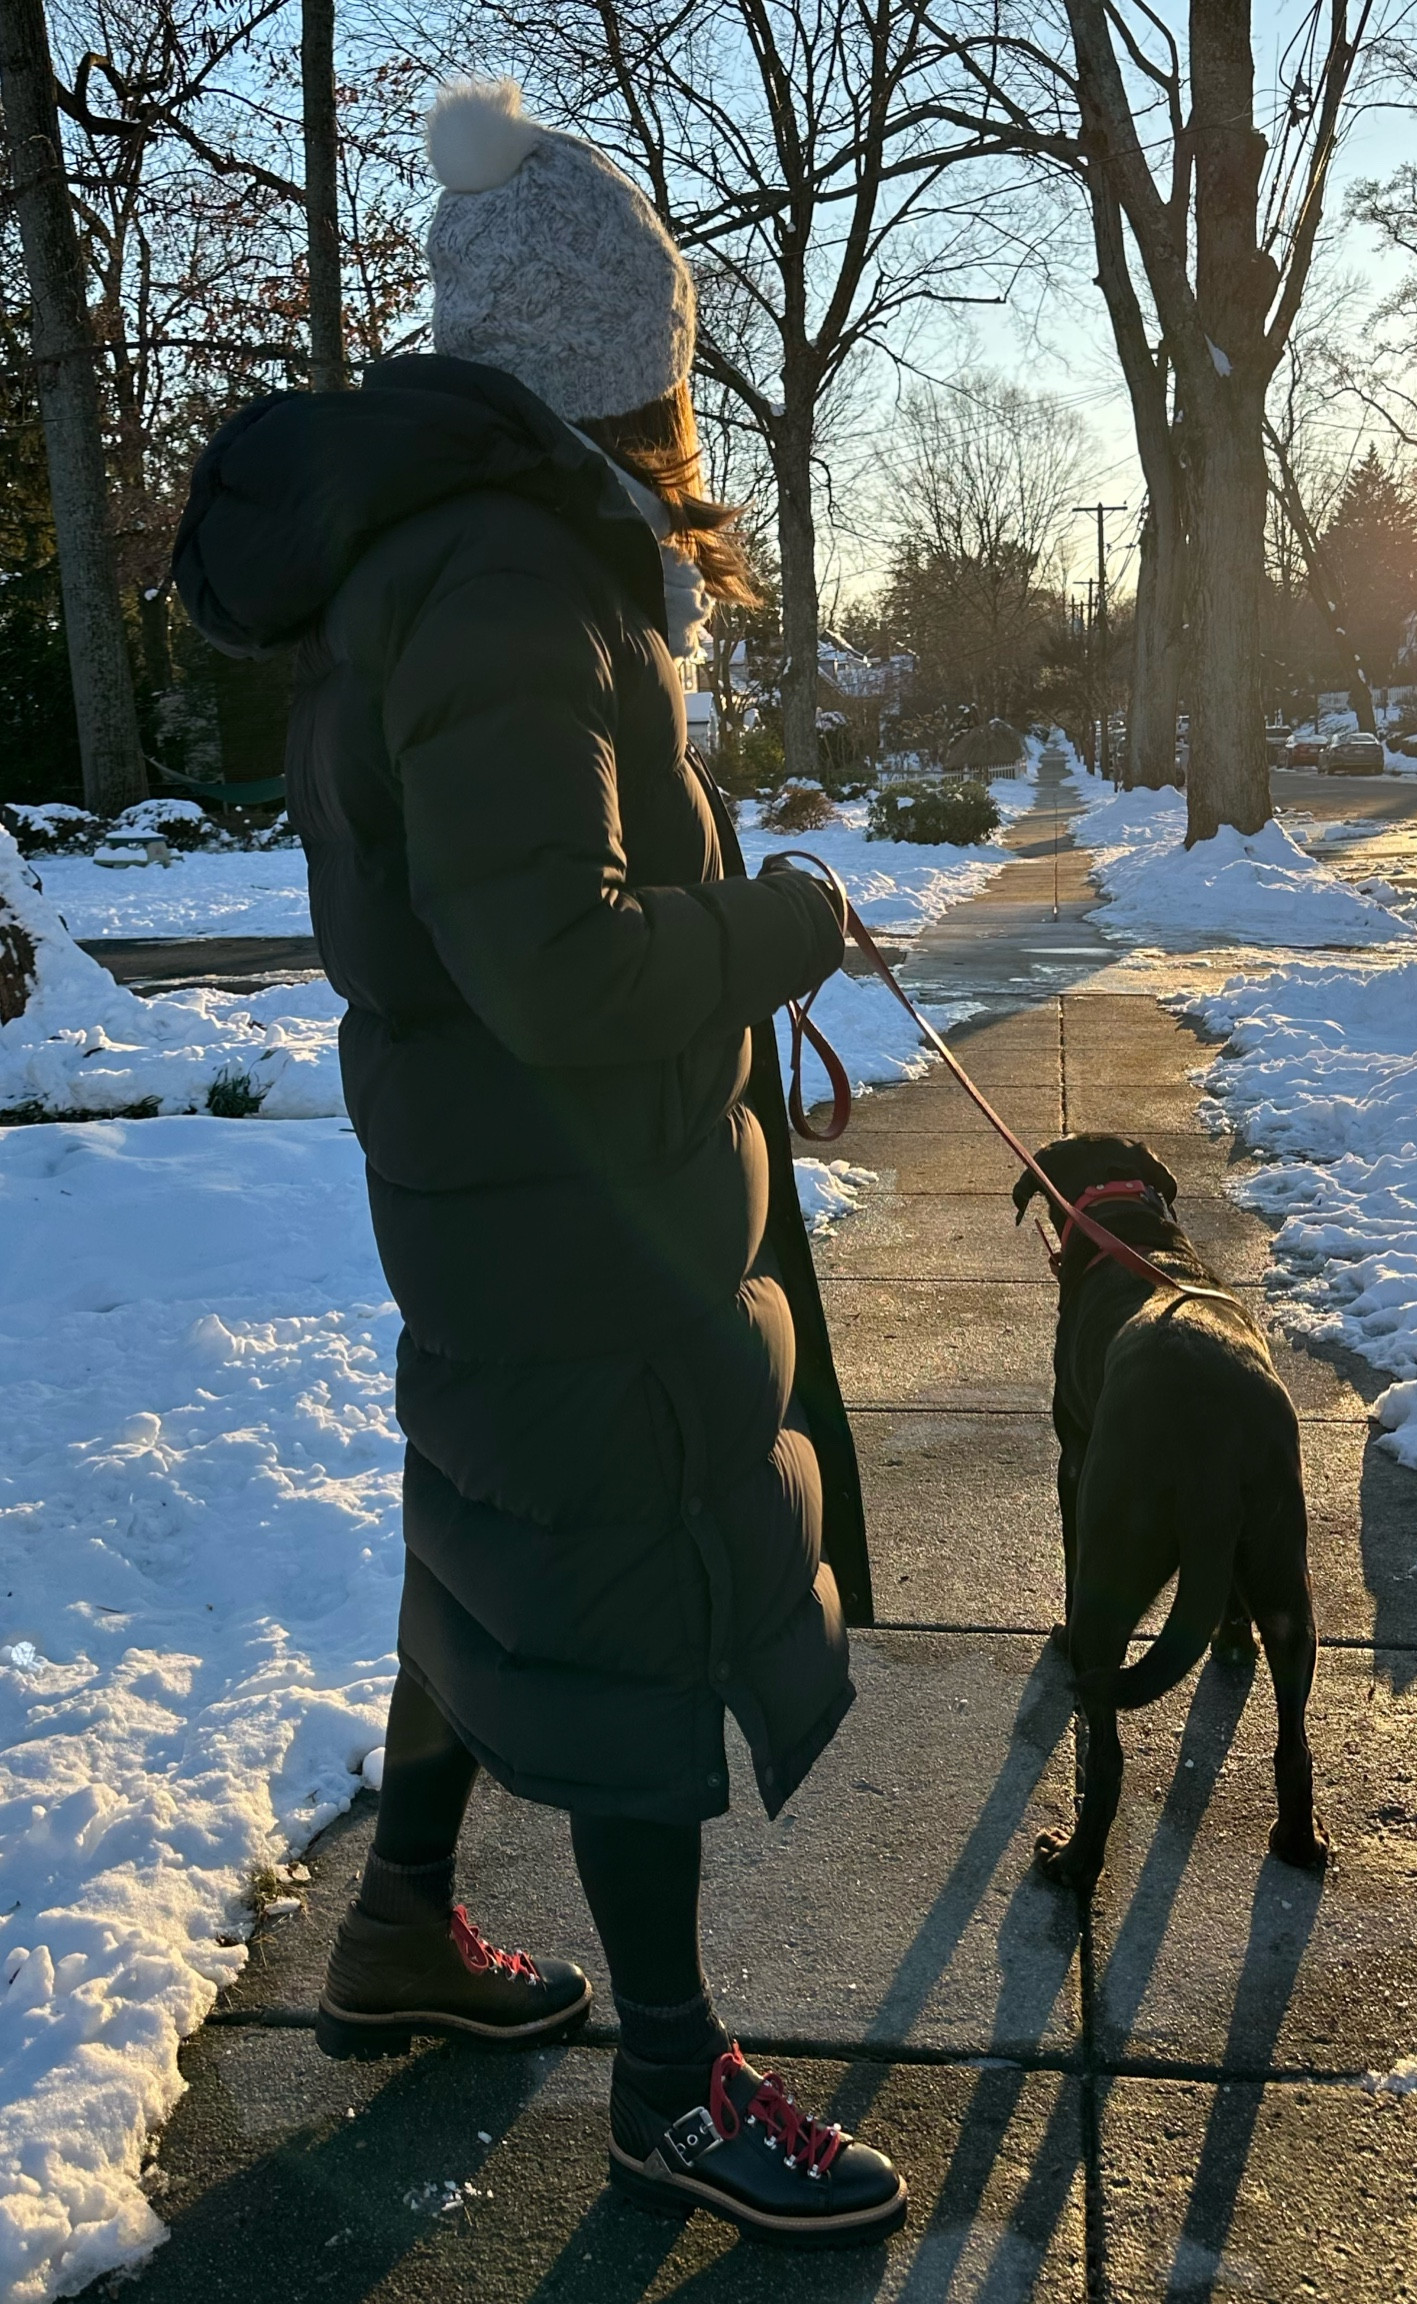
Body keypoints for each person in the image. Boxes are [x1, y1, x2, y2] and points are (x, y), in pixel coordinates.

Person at [174, 75, 906, 2247]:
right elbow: (568, 977)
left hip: (507, 1201)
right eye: (668, 374)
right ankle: (674, 2090)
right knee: (615, 1592)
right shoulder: (505, 579)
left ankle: (402, 1922)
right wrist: (775, 922)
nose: (682, 429)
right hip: (567, 1214)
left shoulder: (459, 562)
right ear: (606, 364)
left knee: (491, 1540)